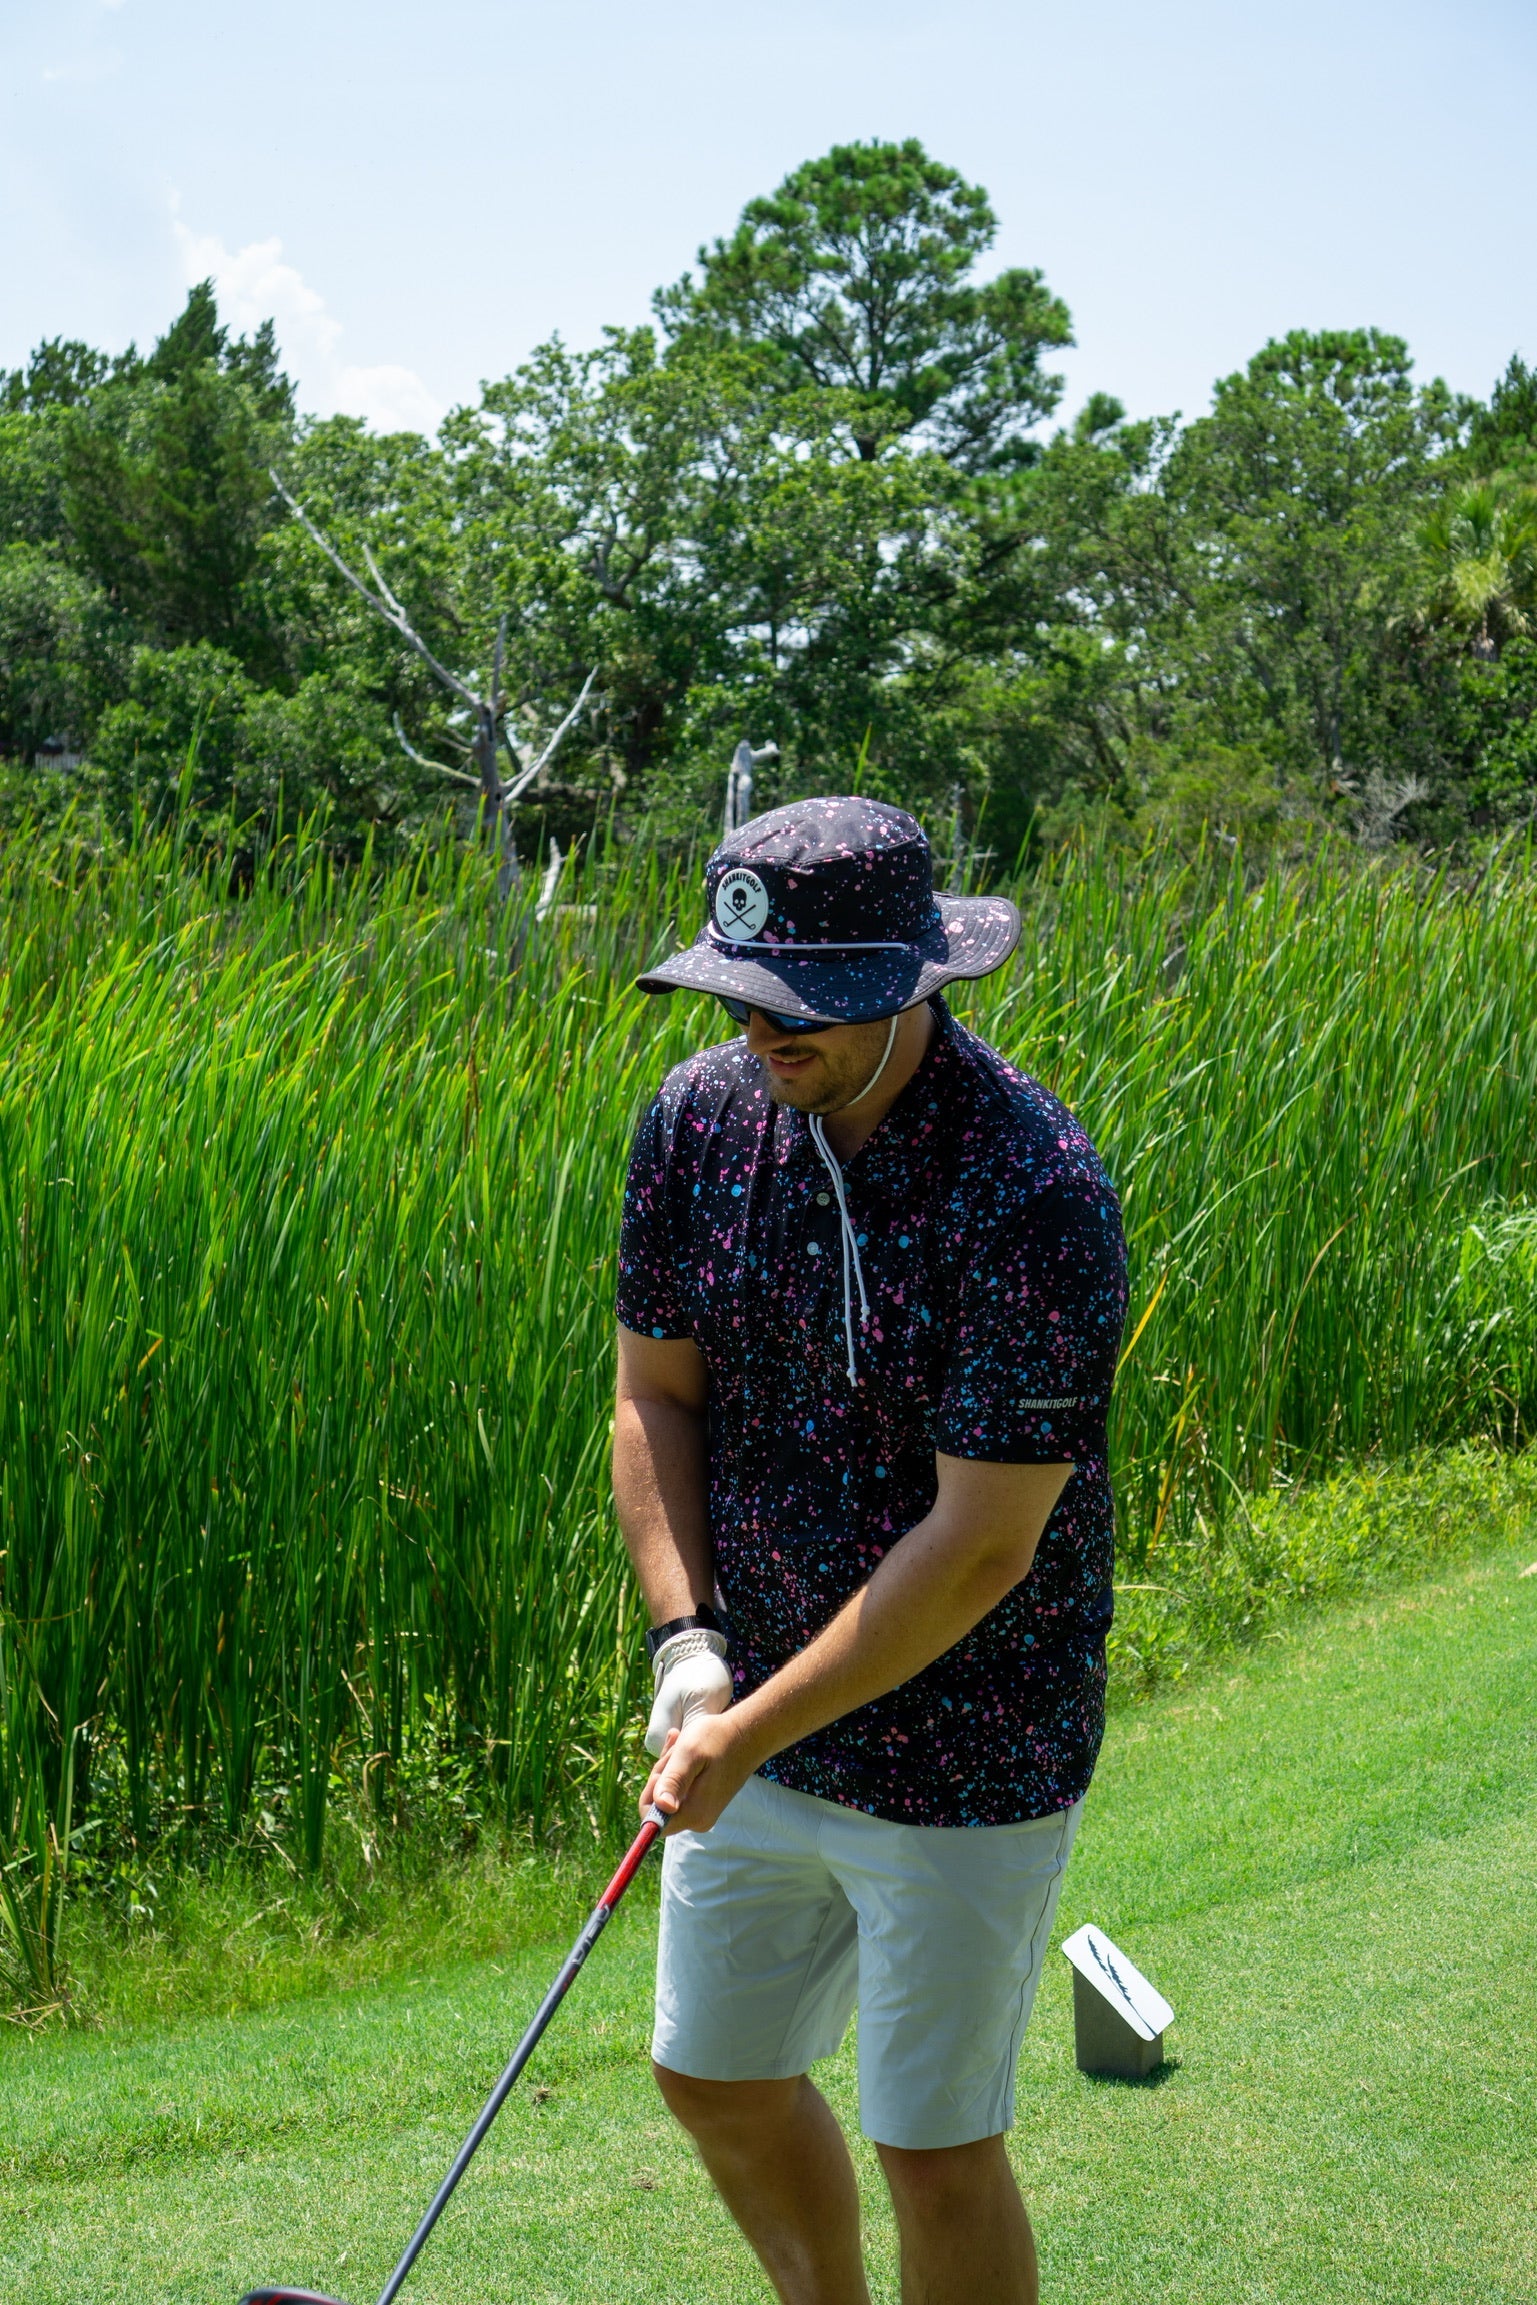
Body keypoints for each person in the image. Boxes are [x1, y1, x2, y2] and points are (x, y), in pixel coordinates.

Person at [612, 796, 1127, 2305]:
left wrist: (744, 1728)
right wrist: (690, 1647)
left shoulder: (1030, 1186)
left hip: (968, 1742)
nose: (766, 1032)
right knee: (711, 2072)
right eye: (742, 992)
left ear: (914, 979)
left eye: (806, 1003)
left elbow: (978, 1547)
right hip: (753, 1708)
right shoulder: (697, 1120)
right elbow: (653, 1390)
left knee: (932, 2141)